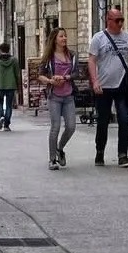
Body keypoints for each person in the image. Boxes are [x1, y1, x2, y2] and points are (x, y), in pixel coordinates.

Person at [88, 6, 128, 168]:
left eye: (122, 20)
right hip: (104, 86)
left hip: (122, 85)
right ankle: (100, 151)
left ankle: (123, 155)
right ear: (108, 20)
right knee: (103, 121)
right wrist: (95, 81)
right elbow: (92, 61)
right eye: (117, 20)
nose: (120, 23)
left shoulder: (127, 37)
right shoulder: (98, 38)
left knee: (123, 120)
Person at [38, 28, 78, 170]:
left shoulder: (72, 55)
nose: (64, 38)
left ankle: (60, 148)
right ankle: (52, 159)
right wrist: (50, 81)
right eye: (61, 36)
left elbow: (76, 73)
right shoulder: (49, 57)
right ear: (55, 39)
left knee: (71, 127)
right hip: (54, 96)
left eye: (65, 36)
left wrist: (66, 77)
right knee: (55, 127)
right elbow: (40, 75)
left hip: (68, 95)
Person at [0, 42, 21, 131]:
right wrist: (18, 85)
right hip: (11, 85)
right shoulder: (14, 60)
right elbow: (17, 73)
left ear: (0, 50)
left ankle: (1, 116)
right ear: (9, 49)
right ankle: (7, 125)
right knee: (9, 105)